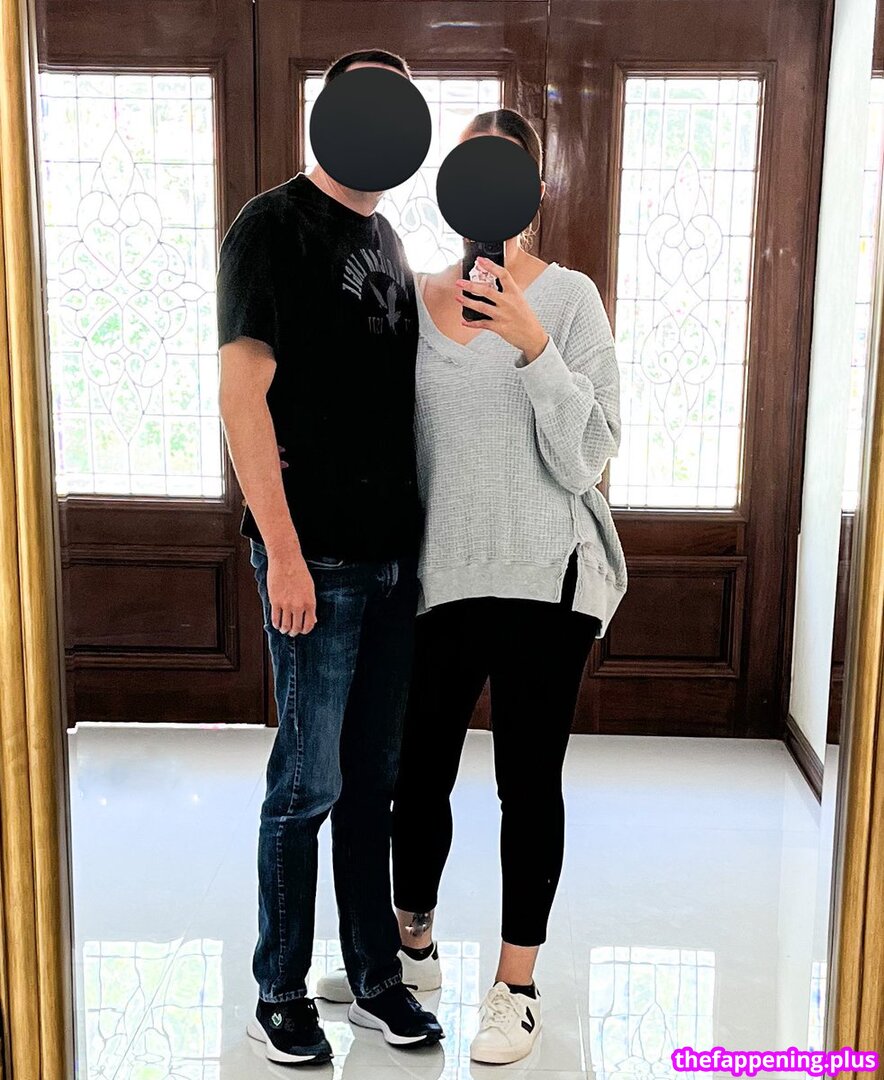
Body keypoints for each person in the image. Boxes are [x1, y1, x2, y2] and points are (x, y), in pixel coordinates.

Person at [316, 107, 628, 1066]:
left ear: (535, 192)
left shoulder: (569, 301)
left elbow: (590, 456)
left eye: (504, 172)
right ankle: (412, 951)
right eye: (469, 171)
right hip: (439, 577)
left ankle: (516, 987)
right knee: (416, 779)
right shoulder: (414, 298)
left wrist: (534, 346)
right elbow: (394, 440)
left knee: (528, 786)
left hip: (547, 578)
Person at [216, 48, 443, 1067]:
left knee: (370, 786)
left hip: (394, 562)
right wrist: (285, 554)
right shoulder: (271, 227)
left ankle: (374, 980)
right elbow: (242, 397)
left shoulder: (386, 236)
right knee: (303, 786)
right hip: (317, 562)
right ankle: (278, 991)